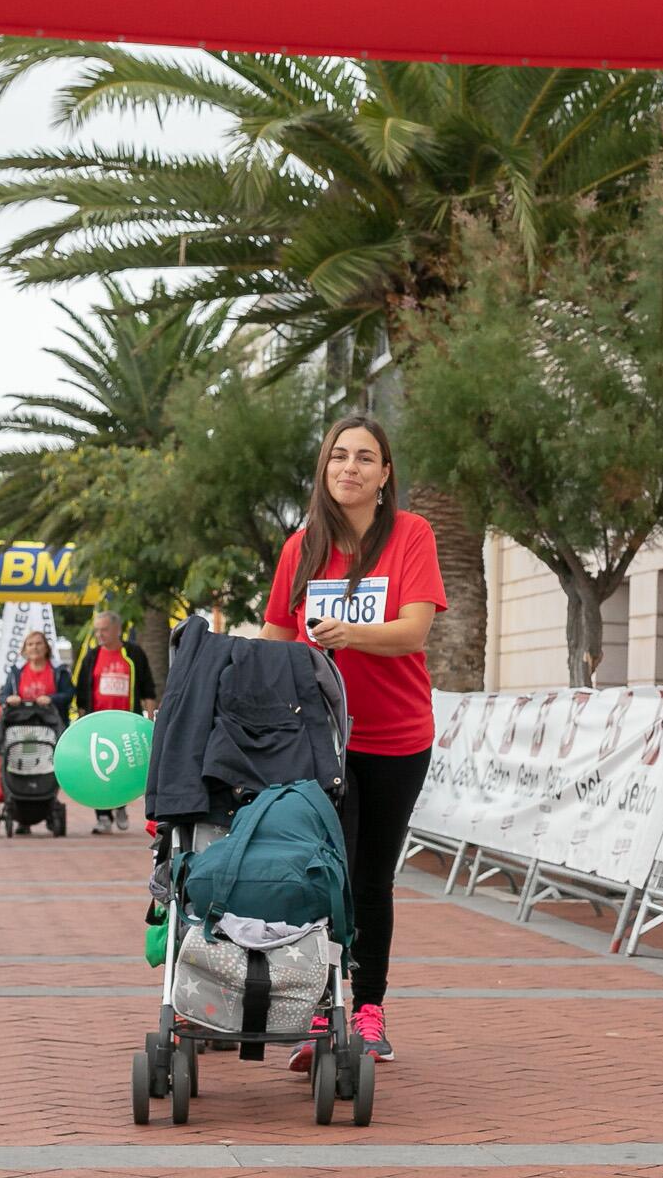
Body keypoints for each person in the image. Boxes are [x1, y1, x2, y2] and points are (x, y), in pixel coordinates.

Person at [263, 414, 445, 1068]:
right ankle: (317, 1009)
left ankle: (367, 1010)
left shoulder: (411, 536)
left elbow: (413, 631)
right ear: (325, 469)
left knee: (370, 876)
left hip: (397, 737)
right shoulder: (301, 548)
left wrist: (346, 634)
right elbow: (278, 640)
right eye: (339, 456)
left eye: (366, 458)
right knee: (318, 876)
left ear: (385, 474)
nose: (350, 467)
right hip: (317, 742)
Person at [69, 612, 156, 832]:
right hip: (97, 724)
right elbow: (82, 692)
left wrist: (152, 720)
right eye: (97, 630)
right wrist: (82, 721)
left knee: (124, 767)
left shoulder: (134, 654)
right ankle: (103, 817)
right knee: (98, 768)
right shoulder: (92, 656)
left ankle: (120, 804)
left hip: (126, 724)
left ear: (118, 629)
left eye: (104, 629)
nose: (100, 634)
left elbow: (148, 689)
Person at [0, 629, 72, 833]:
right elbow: (2, 696)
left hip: (48, 726)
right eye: (30, 644)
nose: (35, 648)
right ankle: (21, 812)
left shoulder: (58, 670)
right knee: (22, 763)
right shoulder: (17, 672)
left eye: (38, 643)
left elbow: (68, 694)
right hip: (21, 729)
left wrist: (53, 699)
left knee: (46, 764)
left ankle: (46, 801)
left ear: (46, 647)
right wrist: (9, 699)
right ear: (24, 649)